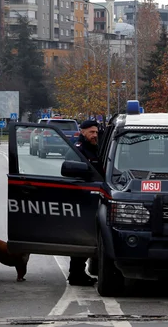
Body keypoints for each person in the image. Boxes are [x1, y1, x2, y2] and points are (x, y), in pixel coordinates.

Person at [66, 119, 101, 286]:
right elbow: (72, 173)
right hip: (82, 199)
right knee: (81, 237)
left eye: (96, 132)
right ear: (83, 132)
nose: (95, 135)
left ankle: (80, 272)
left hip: (96, 198)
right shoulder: (78, 150)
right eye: (91, 132)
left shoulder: (96, 148)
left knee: (89, 236)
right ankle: (76, 274)